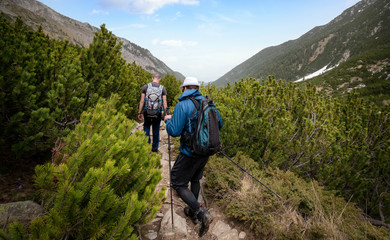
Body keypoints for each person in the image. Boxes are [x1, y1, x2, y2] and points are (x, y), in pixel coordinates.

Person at [164, 77, 223, 237]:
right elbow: (220, 124)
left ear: (184, 89)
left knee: (177, 182)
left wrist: (168, 121)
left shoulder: (182, 105)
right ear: (196, 88)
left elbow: (174, 131)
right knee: (195, 179)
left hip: (189, 153)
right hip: (205, 152)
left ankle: (200, 212)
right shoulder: (209, 103)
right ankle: (192, 211)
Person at [138, 73, 167, 152]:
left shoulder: (145, 87)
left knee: (146, 126)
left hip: (147, 111)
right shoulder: (162, 88)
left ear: (152, 78)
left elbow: (141, 101)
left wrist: (139, 112)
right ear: (159, 79)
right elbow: (164, 102)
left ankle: (146, 147)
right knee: (156, 129)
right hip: (157, 113)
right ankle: (154, 149)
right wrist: (166, 113)